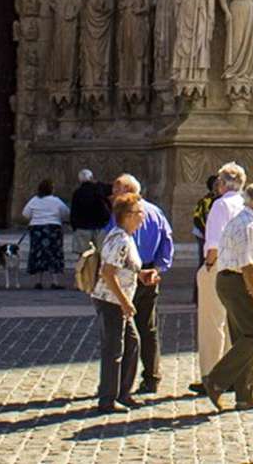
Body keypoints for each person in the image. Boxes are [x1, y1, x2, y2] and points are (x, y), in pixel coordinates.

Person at [205, 181, 253, 411]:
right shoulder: (249, 225)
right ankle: (216, 380)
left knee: (244, 336)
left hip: (230, 281)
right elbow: (247, 265)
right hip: (238, 282)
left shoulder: (248, 220)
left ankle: (245, 395)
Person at [111, 173, 174, 393]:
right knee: (148, 328)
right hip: (149, 274)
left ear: (127, 191)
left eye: (116, 191)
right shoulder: (156, 212)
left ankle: (122, 383)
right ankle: (152, 376)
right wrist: (158, 269)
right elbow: (167, 242)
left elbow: (113, 245)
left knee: (124, 329)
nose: (113, 196)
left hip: (128, 275)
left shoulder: (121, 213)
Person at [90, 192, 146, 413]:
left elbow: (125, 267)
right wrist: (125, 302)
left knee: (132, 343)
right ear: (129, 215)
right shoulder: (120, 239)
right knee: (114, 349)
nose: (143, 217)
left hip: (119, 301)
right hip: (111, 301)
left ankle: (123, 392)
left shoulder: (126, 237)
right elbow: (108, 272)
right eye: (140, 212)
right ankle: (107, 399)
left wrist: (142, 274)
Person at [195, 163, 247, 392]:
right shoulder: (246, 204)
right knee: (230, 323)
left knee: (211, 323)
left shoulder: (220, 205)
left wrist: (207, 265)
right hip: (240, 269)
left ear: (223, 183)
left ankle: (210, 375)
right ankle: (229, 375)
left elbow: (214, 242)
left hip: (218, 266)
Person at [20, 178, 70, 289]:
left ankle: (38, 281)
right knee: (54, 254)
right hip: (53, 229)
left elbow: (25, 214)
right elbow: (66, 212)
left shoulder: (34, 200)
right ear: (51, 189)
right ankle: (55, 281)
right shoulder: (56, 201)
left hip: (37, 230)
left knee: (38, 254)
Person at [70, 168, 110, 256]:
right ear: (91, 178)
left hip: (82, 228)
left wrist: (75, 227)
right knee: (100, 254)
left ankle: (84, 270)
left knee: (84, 256)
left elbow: (74, 211)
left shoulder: (77, 193)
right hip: (99, 227)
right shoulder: (99, 189)